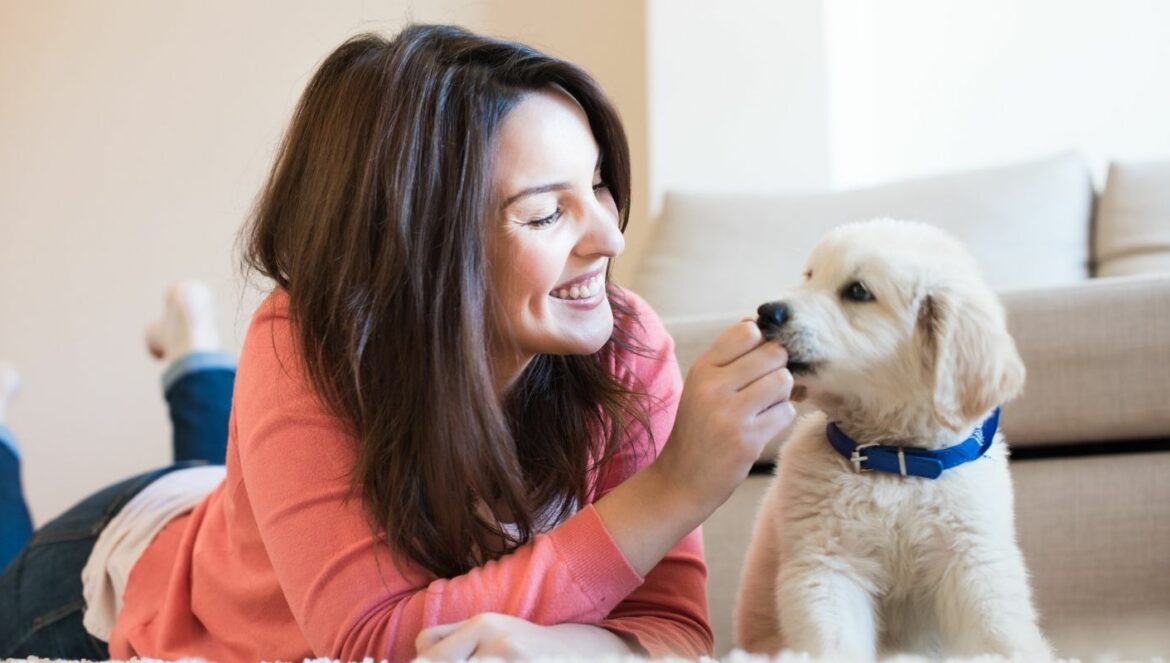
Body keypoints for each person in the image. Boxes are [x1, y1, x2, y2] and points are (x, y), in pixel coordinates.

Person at [0, 24, 796, 662]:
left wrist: (556, 648)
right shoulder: (308, 338)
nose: (610, 235)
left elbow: (673, 632)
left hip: (247, 512)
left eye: (595, 184)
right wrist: (673, 489)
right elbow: (371, 642)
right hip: (112, 580)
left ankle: (193, 359)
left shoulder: (625, 347)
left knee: (231, 478)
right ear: (424, 247)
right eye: (546, 214)